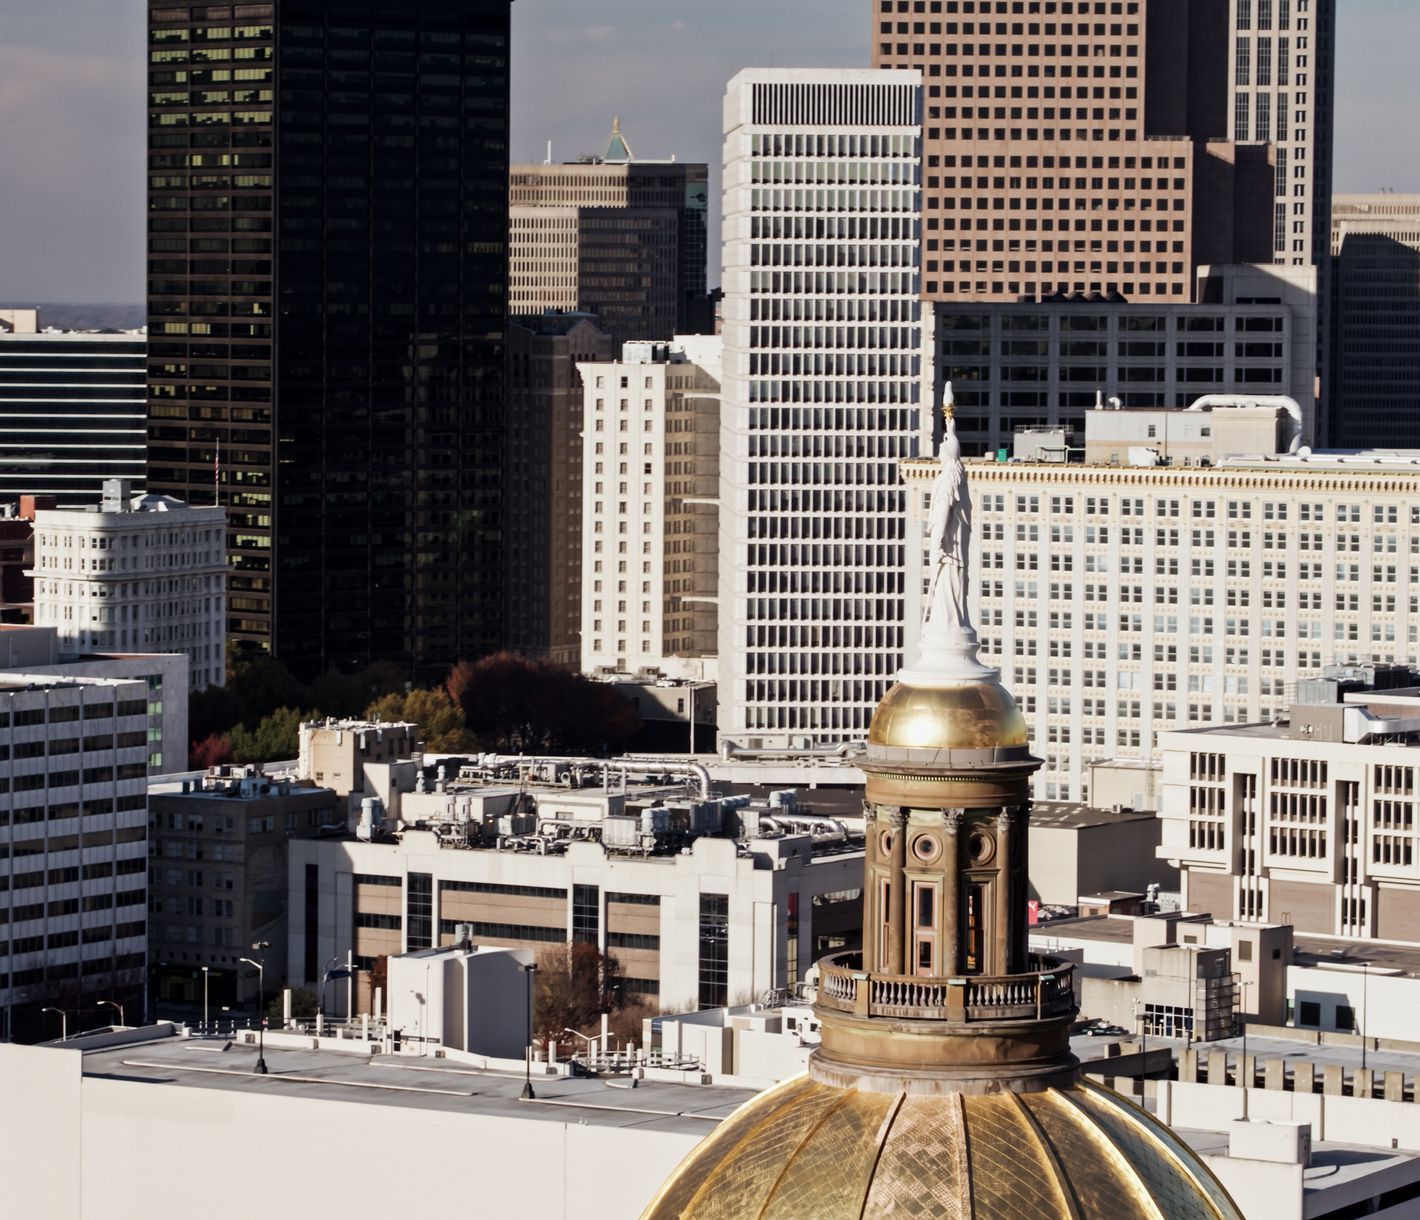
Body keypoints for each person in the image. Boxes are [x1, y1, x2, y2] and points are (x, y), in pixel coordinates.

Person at [923, 382, 972, 632]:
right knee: (955, 591)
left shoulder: (946, 481)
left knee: (945, 596)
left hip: (947, 553)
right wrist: (950, 428)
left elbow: (942, 513)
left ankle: (946, 624)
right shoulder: (960, 481)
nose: (939, 452)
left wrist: (938, 541)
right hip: (958, 554)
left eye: (942, 449)